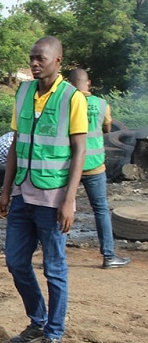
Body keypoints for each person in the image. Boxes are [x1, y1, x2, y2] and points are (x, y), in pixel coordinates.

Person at [0, 36, 88, 343]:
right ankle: (37, 321)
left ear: (58, 61)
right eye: (32, 58)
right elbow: (15, 144)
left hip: (53, 198)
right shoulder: (22, 93)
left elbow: (79, 152)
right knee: (16, 262)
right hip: (22, 193)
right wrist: (6, 190)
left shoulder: (71, 98)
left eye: (41, 59)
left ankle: (54, 334)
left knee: (54, 269)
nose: (35, 63)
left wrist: (69, 200)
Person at [67, 69, 130, 269]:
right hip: (95, 166)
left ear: (69, 84)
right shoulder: (102, 104)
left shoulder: (63, 103)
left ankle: (53, 255)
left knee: (61, 209)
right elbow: (107, 129)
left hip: (68, 166)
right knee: (101, 210)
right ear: (89, 83)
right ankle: (109, 256)